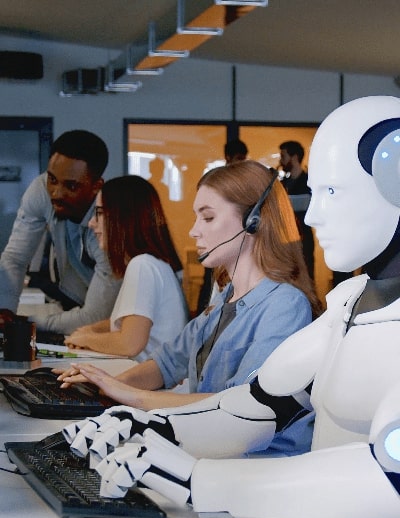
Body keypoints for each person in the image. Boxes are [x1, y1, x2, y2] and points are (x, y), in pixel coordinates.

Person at [63, 96, 400, 518]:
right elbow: (253, 407)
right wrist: (146, 428)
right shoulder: (347, 302)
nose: (313, 215)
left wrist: (197, 480)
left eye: (333, 192)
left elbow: (387, 481)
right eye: (315, 193)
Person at [60, 159, 321, 457]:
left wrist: (134, 397)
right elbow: (165, 364)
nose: (194, 231)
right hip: (210, 452)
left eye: (207, 218)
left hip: (255, 466)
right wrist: (105, 386)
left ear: (254, 222)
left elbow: (239, 407)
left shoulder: (284, 306)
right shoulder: (225, 298)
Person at [0, 130, 121, 335]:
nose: (56, 193)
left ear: (96, 186)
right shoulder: (40, 191)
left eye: (71, 186)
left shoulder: (110, 226)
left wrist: (25, 322)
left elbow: (95, 317)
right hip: (76, 296)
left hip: (115, 320)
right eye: (52, 179)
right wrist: (5, 311)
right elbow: (15, 258)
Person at [64, 175, 188, 359]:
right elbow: (132, 323)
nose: (91, 223)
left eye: (98, 213)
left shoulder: (142, 266)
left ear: (122, 216)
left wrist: (85, 339)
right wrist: (93, 329)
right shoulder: (152, 264)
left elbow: (129, 343)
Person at [197, 137, 249, 314]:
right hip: (219, 242)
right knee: (213, 283)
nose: (240, 163)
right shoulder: (218, 183)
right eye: (237, 158)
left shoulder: (244, 184)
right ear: (228, 157)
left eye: (243, 158)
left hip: (238, 242)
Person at [279, 140, 315, 279]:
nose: (281, 161)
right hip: (285, 239)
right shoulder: (282, 184)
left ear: (294, 157)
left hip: (303, 237)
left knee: (306, 276)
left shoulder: (308, 182)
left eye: (283, 156)